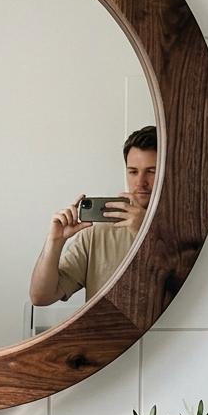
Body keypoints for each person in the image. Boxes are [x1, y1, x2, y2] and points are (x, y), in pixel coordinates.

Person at [29, 126, 157, 306]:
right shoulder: (95, 234)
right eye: (133, 171)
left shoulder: (186, 230)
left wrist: (147, 234)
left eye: (151, 171)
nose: (140, 182)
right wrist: (55, 241)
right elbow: (41, 297)